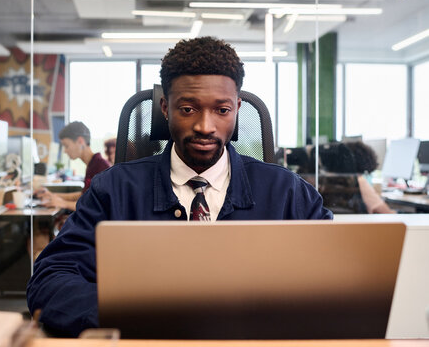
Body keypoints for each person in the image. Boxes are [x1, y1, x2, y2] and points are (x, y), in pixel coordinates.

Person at [27, 36, 332, 337]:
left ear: (237, 108)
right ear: (165, 107)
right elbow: (51, 279)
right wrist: (136, 317)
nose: (205, 126)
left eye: (222, 110)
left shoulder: (286, 192)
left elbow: (337, 278)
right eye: (188, 109)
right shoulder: (114, 190)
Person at [34, 121, 110, 211]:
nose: (65, 151)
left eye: (66, 146)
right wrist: (54, 196)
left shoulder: (100, 167)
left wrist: (64, 203)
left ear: (80, 141)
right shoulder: (93, 164)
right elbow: (84, 196)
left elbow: (95, 207)